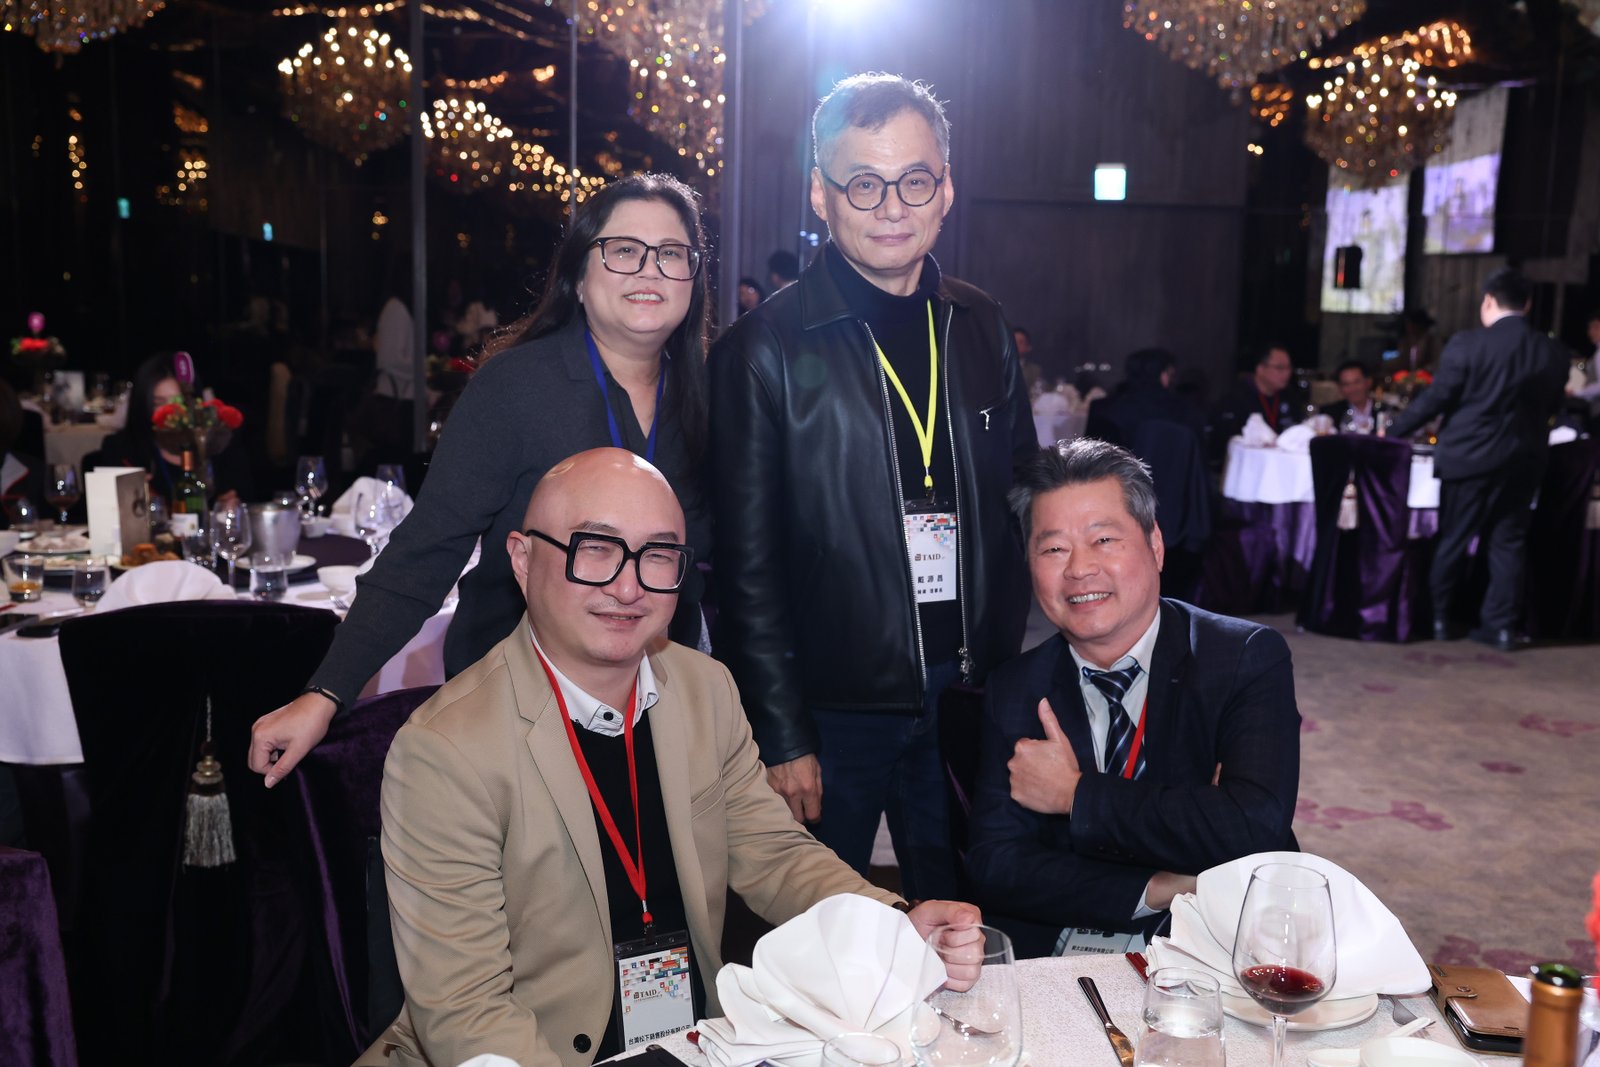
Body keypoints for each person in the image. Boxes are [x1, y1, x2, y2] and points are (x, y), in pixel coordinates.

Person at [361, 448, 980, 1067]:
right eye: (595, 548)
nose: (628, 587)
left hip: (690, 1042)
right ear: (523, 560)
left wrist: (894, 921)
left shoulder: (704, 687)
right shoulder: (446, 750)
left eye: (657, 555)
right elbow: (467, 1013)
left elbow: (773, 852)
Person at [249, 174, 714, 789]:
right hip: (519, 710)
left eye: (672, 254)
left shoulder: (711, 396)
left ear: (692, 278)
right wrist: (327, 692)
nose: (650, 270)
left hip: (657, 702)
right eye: (624, 250)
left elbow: (724, 568)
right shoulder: (515, 388)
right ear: (579, 276)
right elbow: (427, 549)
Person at [708, 73, 1035, 900]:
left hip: (969, 688)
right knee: (823, 929)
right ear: (821, 194)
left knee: (968, 911)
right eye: (863, 183)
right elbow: (743, 567)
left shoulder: (980, 324)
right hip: (831, 707)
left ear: (946, 189)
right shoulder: (764, 349)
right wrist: (780, 730)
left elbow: (1025, 498)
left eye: (914, 180)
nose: (892, 206)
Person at [964, 440, 1301, 958]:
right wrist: (1159, 885)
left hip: (1221, 942)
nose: (1080, 569)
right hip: (1068, 943)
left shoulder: (1242, 658)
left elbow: (1252, 830)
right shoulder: (1016, 687)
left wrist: (1075, 794)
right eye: (1054, 549)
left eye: (1103, 539)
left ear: (1155, 545)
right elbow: (997, 866)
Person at [1384, 268, 1569, 651]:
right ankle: (1500, 628)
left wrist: (1393, 432)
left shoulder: (1468, 344)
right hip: (1525, 459)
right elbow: (1553, 407)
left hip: (1470, 457)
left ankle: (1438, 620)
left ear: (1487, 301)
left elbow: (1438, 399)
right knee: (1508, 543)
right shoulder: (1552, 351)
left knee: (1453, 538)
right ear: (1527, 304)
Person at [1085, 347, 1210, 600]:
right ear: (1164, 375)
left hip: (1119, 511)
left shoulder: (1106, 410)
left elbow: (1090, 468)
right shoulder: (1188, 411)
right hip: (1181, 519)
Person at [86, 352, 251, 509]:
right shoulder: (122, 448)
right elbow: (105, 512)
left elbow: (247, 498)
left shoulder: (219, 444)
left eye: (178, 402)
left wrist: (231, 504)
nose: (171, 412)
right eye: (159, 403)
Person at [1209, 344, 1302, 446]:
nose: (1287, 373)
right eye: (1280, 368)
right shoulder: (1236, 399)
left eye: (1289, 367)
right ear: (1260, 369)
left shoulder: (1290, 397)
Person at [1319, 359, 1395, 433]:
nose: (1352, 389)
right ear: (1339, 387)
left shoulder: (1387, 411)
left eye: (1357, 382)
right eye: (1346, 384)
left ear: (1368, 382)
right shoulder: (1330, 414)